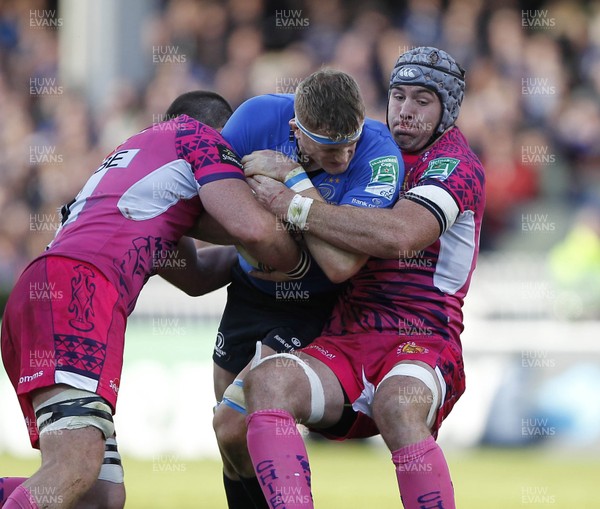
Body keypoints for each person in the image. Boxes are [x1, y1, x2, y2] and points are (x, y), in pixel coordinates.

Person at [0, 91, 305, 509]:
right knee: (75, 467)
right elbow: (254, 230)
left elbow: (195, 276)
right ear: (222, 133)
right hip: (80, 294)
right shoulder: (200, 138)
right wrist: (310, 233)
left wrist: (251, 257)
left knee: (98, 496)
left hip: (44, 290)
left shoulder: (142, 159)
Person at [240, 46, 485, 508]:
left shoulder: (454, 165)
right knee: (267, 383)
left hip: (423, 337)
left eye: (422, 101)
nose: (405, 112)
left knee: (398, 404)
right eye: (398, 96)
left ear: (447, 110)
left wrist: (293, 201)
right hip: (348, 336)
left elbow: (400, 236)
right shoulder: (363, 147)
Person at [209, 69, 403, 508]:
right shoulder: (255, 118)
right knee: (232, 442)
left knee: (234, 423)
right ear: (296, 129)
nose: (346, 156)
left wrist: (294, 183)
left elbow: (340, 265)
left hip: (317, 305)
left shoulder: (379, 153)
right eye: (332, 149)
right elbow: (206, 206)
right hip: (249, 291)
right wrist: (263, 240)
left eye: (351, 142)